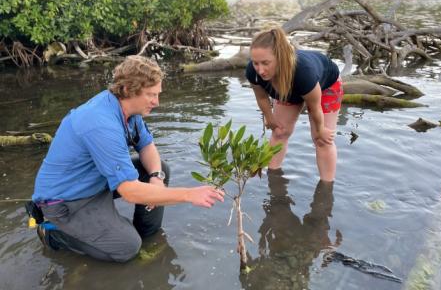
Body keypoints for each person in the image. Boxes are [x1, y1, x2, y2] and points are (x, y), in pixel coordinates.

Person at [29, 55, 224, 262]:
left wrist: (156, 178)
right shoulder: (100, 123)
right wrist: (188, 194)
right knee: (127, 248)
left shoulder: (130, 111)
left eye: (158, 94)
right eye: (151, 95)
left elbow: (147, 146)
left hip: (95, 181)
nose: (157, 102)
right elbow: (129, 192)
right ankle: (53, 233)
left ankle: (147, 237)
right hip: (66, 201)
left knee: (160, 169)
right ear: (129, 90)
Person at [245, 27, 343, 182]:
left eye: (265, 63)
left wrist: (320, 129)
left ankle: (326, 187)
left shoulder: (303, 72)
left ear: (280, 58)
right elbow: (262, 98)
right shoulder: (253, 71)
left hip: (325, 85)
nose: (260, 70)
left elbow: (314, 107)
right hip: (288, 87)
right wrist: (269, 118)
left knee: (322, 139)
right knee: (279, 132)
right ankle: (273, 179)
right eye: (256, 63)